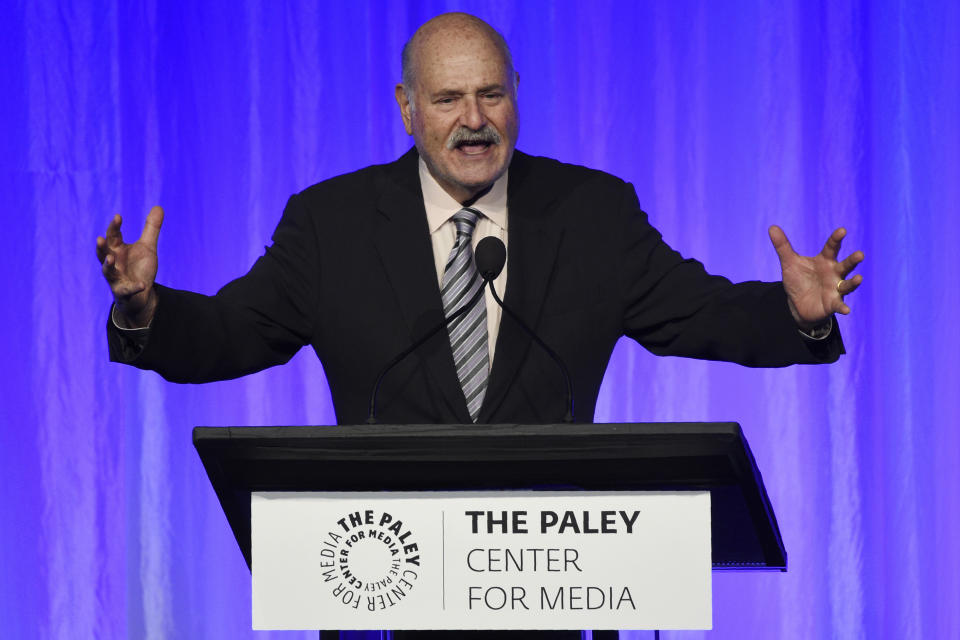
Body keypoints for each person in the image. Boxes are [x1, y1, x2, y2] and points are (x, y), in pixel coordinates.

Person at [97, 12, 863, 427]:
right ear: (405, 110)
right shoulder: (330, 224)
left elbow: (698, 315)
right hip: (384, 576)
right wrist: (144, 310)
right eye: (447, 100)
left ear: (517, 95)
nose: (475, 121)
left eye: (492, 95)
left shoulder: (591, 212)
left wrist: (793, 313)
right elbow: (234, 335)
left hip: (553, 579)